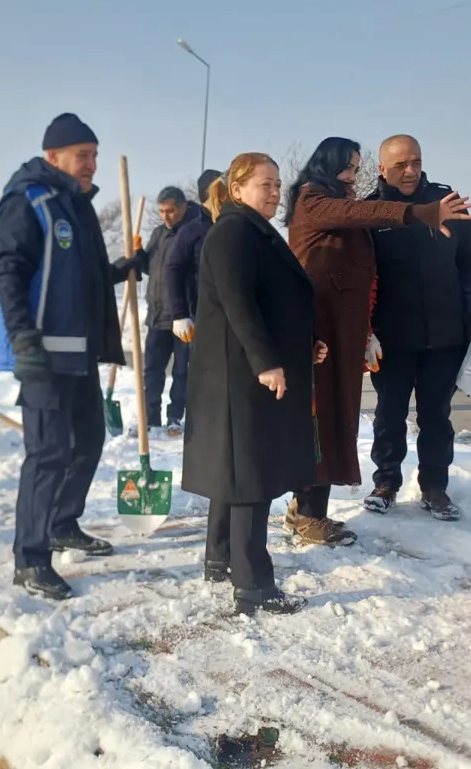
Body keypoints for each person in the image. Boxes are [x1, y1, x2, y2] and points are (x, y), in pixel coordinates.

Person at [284, 137, 471, 545]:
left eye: (356, 168)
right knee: (323, 419)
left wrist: (365, 330)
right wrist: (420, 213)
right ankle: (308, 512)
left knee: (338, 419)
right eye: (349, 168)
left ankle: (309, 510)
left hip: (348, 332)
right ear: (327, 167)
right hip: (319, 330)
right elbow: (358, 214)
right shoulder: (313, 200)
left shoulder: (341, 202)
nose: (354, 175)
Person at [0, 113, 139, 600]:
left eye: (95, 155)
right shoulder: (28, 200)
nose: (92, 165)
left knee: (89, 440)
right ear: (54, 157)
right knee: (48, 453)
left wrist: (122, 270)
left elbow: (83, 275)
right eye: (83, 155)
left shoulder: (74, 206)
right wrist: (23, 339)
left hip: (76, 354)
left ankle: (61, 522)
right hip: (43, 356)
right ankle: (30, 559)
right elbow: (8, 273)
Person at [181, 152, 325, 616]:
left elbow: (271, 304)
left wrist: (302, 347)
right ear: (237, 188)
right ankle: (254, 586)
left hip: (241, 371)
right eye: (265, 184)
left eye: (278, 184)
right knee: (251, 479)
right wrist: (266, 362)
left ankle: (220, 558)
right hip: (238, 375)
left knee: (236, 472)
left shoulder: (252, 231)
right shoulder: (234, 232)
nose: (275, 191)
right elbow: (238, 302)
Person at [364, 134, 471, 522]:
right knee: (389, 414)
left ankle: (435, 488)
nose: (411, 170)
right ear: (382, 168)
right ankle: (386, 483)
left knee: (436, 416)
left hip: (444, 337)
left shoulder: (446, 204)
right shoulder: (370, 213)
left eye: (415, 161)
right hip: (392, 340)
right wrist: (365, 330)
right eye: (400, 165)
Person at [132, 185, 201, 435]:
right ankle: (150, 417)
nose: (165, 216)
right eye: (161, 211)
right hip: (157, 315)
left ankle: (175, 417)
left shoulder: (192, 233)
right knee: (152, 370)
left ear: (182, 207)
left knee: (181, 370)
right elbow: (150, 267)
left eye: (170, 211)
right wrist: (138, 254)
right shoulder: (159, 234)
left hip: (183, 316)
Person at [164, 168, 222, 343]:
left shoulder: (233, 226)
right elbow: (173, 269)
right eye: (221, 190)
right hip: (200, 316)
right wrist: (179, 314)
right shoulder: (191, 231)